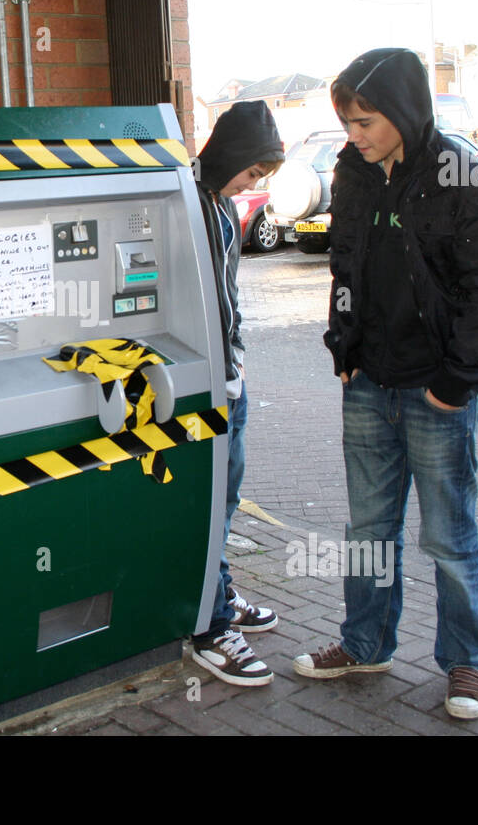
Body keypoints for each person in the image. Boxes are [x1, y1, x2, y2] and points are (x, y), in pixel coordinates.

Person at [292, 48, 478, 719]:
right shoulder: (352, 173)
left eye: (364, 122)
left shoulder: (460, 175)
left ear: (402, 110)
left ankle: (466, 666)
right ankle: (365, 644)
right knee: (368, 528)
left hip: (435, 391)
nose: (353, 135)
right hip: (368, 383)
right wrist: (344, 348)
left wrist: (455, 385)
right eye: (348, 123)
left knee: (449, 537)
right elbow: (344, 269)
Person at [190, 101, 287, 686]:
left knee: (226, 498)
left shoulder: (221, 204)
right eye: (250, 173)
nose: (252, 186)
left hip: (230, 374)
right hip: (205, 381)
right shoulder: (189, 201)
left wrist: (238, 358)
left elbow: (229, 294)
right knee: (210, 502)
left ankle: (220, 596)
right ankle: (209, 623)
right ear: (228, 154)